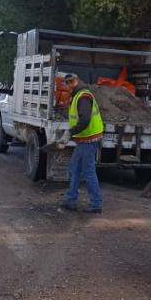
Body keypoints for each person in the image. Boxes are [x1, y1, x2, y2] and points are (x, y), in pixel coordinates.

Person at [57, 73, 104, 214]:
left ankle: (96, 204)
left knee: (88, 171)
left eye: (71, 82)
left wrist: (69, 133)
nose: (69, 85)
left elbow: (84, 121)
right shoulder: (78, 95)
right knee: (75, 168)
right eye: (67, 83)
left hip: (90, 139)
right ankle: (71, 199)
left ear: (77, 81)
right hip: (84, 139)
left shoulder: (83, 96)